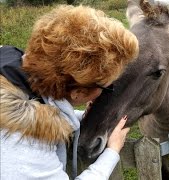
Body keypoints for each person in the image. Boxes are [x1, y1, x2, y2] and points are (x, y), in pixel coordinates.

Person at [0, 5, 138, 180]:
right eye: (106, 88)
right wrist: (112, 152)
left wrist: (77, 116)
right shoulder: (24, 143)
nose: (106, 93)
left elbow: (41, 103)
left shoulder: (12, 67)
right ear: (78, 93)